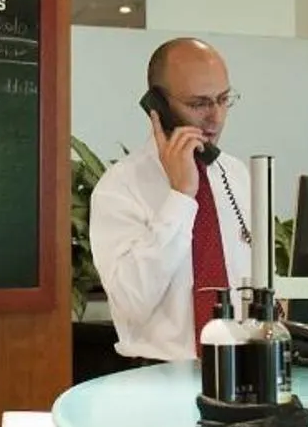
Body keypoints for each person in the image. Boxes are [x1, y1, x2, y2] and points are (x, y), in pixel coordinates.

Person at [89, 37, 253, 362]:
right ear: (158, 106)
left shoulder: (236, 174)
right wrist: (180, 197)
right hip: (157, 377)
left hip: (242, 371)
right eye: (199, 104)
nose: (216, 117)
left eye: (223, 99)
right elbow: (131, 302)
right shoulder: (120, 187)